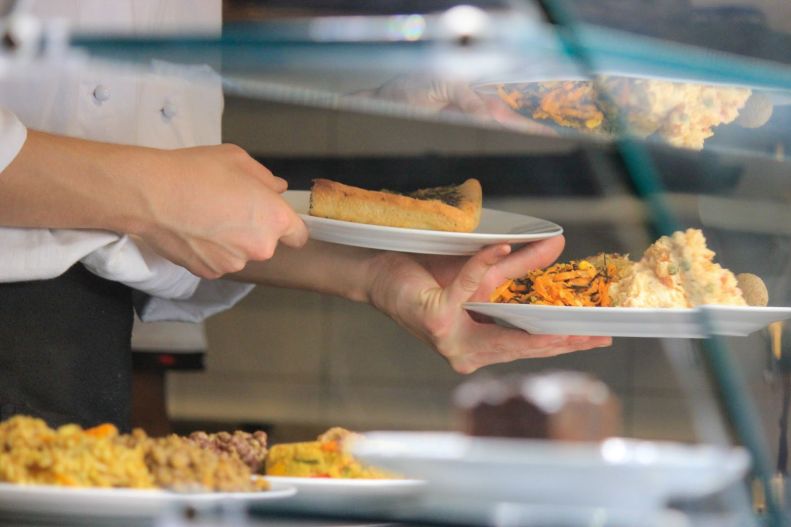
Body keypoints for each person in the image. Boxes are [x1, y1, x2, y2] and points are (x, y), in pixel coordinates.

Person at [0, 0, 610, 430]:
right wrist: (154, 194)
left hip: (82, 341)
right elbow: (152, 196)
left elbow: (161, 208)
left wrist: (375, 273)